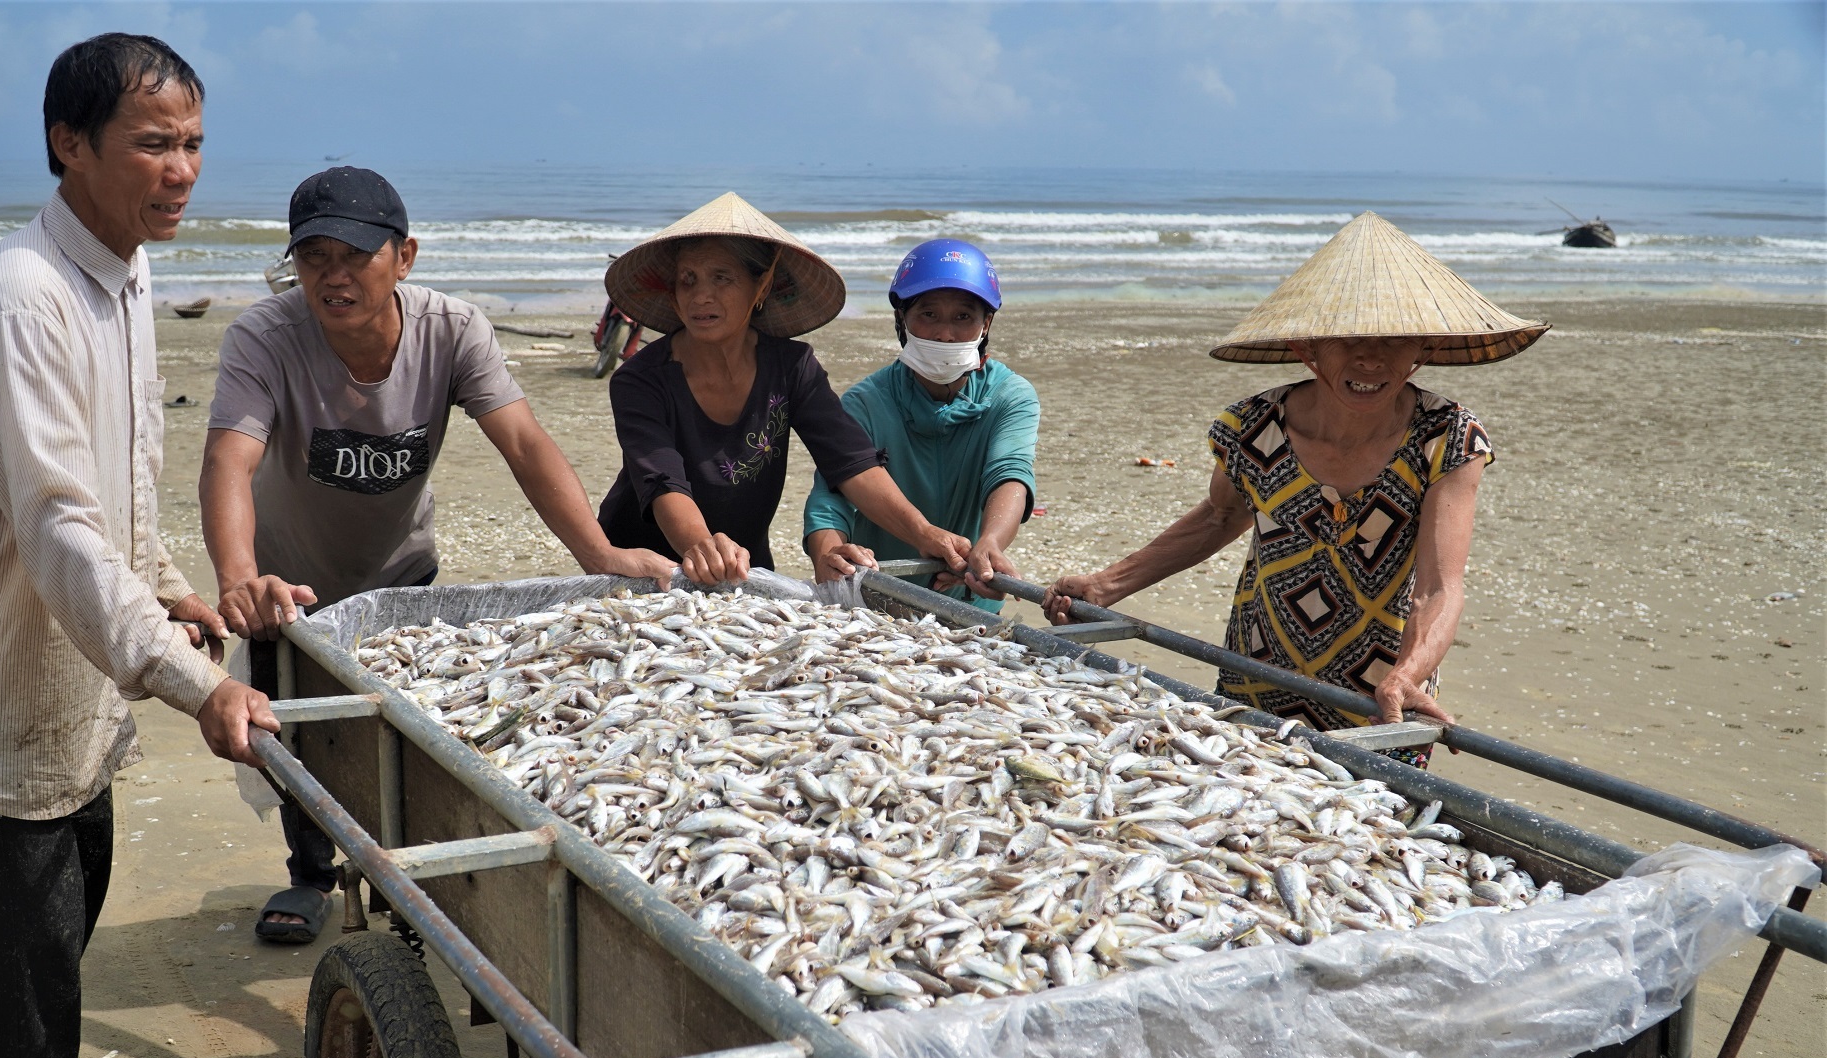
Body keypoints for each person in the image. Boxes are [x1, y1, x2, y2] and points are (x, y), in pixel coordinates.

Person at [0, 34, 277, 1058]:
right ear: (71, 145)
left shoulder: (118, 275)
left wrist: (178, 589)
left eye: (193, 143)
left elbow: (123, 493)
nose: (183, 171)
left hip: (79, 669)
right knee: (22, 947)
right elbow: (60, 529)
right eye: (154, 144)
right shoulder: (21, 299)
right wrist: (191, 677)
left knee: (57, 918)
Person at [201, 166, 673, 944]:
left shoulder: (452, 329)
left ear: (405, 256)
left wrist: (601, 553)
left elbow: (522, 440)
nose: (334, 275)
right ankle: (311, 877)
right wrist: (238, 580)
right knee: (295, 734)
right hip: (287, 583)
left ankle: (402, 879)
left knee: (405, 733)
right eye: (314, 257)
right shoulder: (265, 337)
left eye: (354, 255)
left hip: (401, 571)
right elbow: (229, 461)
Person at [1045, 213, 1549, 764]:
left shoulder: (1447, 439)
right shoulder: (1256, 428)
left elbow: (1437, 587)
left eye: (1394, 339)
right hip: (1257, 672)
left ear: (1423, 348)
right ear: (1307, 348)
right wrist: (1107, 585)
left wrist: (1410, 674)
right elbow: (1220, 517)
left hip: (1381, 692)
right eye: (1347, 338)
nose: (1370, 359)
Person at [596, 192, 970, 586]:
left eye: (721, 278)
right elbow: (661, 482)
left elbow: (852, 463)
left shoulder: (792, 367)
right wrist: (702, 545)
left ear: (762, 286)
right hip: (643, 569)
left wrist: (924, 533)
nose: (700, 296)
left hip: (743, 569)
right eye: (687, 280)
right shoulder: (639, 380)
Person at [804, 239, 1039, 611]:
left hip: (969, 598)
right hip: (876, 598)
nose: (945, 334)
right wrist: (828, 552)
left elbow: (1010, 473)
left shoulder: (1010, 396)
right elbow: (830, 498)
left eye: (963, 317)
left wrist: (990, 543)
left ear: (986, 323)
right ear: (902, 319)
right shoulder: (865, 402)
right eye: (928, 314)